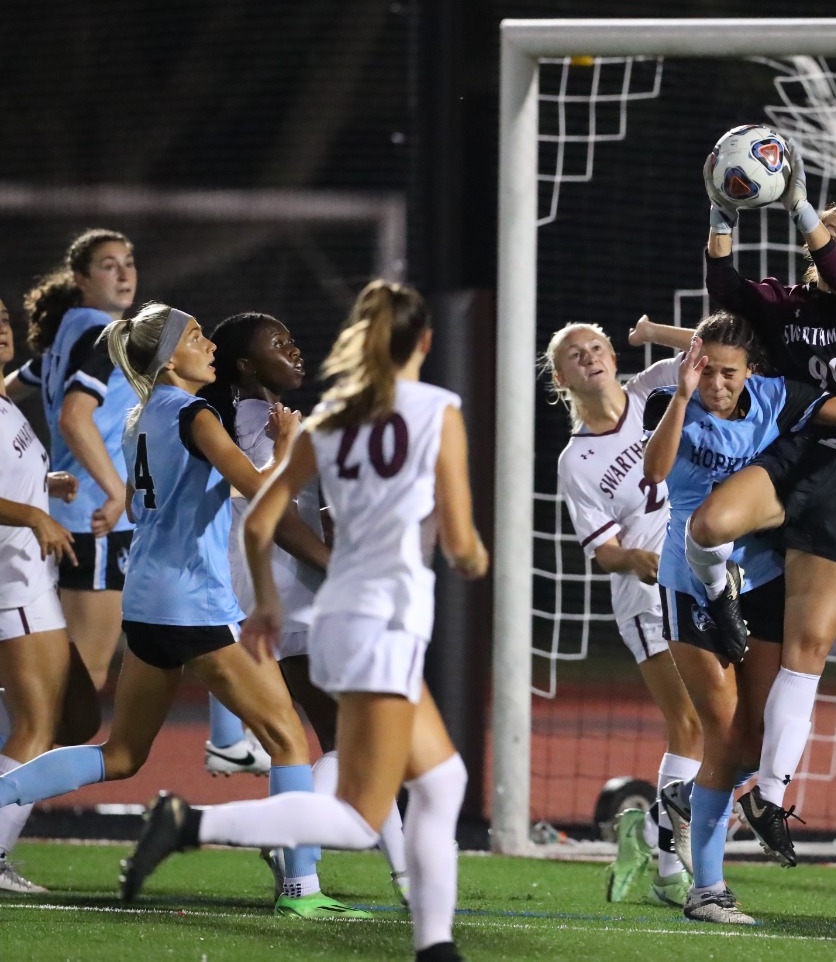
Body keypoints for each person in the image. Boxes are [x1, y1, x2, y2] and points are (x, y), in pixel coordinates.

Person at [119, 281, 488, 962]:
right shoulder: (437, 409)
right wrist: (460, 548)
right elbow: (463, 545)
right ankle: (196, 825)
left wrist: (262, 600)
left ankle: (431, 937)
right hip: (379, 617)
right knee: (359, 799)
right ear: (425, 342)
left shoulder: (323, 425)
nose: (292, 350)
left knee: (433, 779)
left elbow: (263, 519)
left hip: (331, 613)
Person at [0, 301, 365, 918]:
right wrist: (285, 447)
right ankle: (302, 890)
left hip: (145, 603)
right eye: (196, 336)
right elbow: (260, 493)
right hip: (193, 604)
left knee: (120, 755)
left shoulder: (138, 416)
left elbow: (144, 506)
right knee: (287, 740)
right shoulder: (196, 414)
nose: (209, 344)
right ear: (170, 358)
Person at [641, 312, 836, 924]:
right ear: (692, 366)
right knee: (724, 736)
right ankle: (708, 891)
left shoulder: (774, 396)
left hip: (763, 579)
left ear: (750, 370)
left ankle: (687, 796)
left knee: (752, 743)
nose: (717, 383)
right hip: (691, 584)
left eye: (728, 372)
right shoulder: (672, 402)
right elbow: (655, 472)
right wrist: (684, 394)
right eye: (706, 370)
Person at [690, 146, 836, 866]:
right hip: (790, 457)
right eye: (830, 234)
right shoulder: (786, 305)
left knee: (807, 649)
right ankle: (715, 598)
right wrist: (723, 214)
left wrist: (802, 208)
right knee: (710, 525)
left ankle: (771, 794)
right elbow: (724, 287)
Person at [198, 312, 408, 901]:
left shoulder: (263, 419)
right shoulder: (256, 423)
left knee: (352, 743)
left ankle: (405, 875)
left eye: (292, 338)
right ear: (244, 364)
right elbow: (278, 517)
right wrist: (337, 564)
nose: (293, 349)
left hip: (282, 596)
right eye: (278, 343)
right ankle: (283, 837)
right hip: (292, 597)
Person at [544, 319, 700, 908]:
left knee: (733, 727)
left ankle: (646, 831)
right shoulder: (576, 460)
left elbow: (710, 348)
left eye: (596, 347)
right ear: (562, 379)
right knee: (690, 725)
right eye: (574, 355)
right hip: (646, 596)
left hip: (703, 572)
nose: (589, 357)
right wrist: (636, 558)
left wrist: (652, 331)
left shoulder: (651, 390)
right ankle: (670, 872)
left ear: (613, 355)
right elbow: (605, 552)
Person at [5, 230, 142, 698]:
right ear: (81, 278)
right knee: (83, 675)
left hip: (68, 512)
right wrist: (117, 492)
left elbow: (12, 385)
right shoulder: (105, 335)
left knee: (49, 671)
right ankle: (30, 747)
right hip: (96, 517)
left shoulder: (67, 333)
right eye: (108, 265)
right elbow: (73, 418)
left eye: (128, 262)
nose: (123, 273)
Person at [0, 297, 99, 893]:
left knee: (69, 716)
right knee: (39, 725)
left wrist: (45, 486)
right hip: (12, 585)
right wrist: (35, 517)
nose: (1, 329)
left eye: (2, 319)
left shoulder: (5, 402)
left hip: (30, 583)